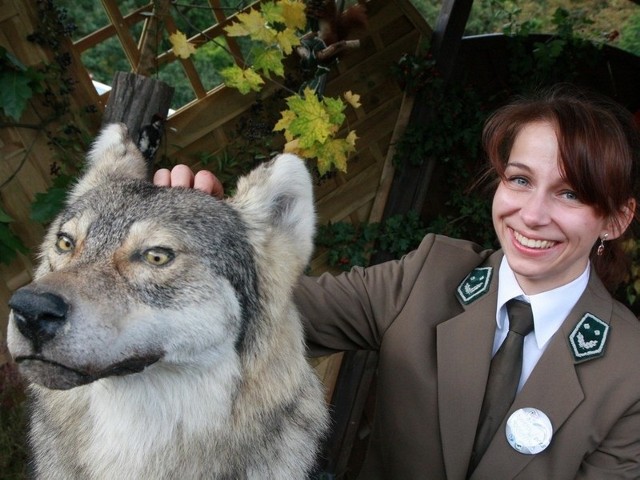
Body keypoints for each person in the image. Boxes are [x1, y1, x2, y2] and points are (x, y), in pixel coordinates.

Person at [154, 85, 640, 479]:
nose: (531, 215)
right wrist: (209, 247)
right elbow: (276, 309)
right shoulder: (429, 274)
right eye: (519, 180)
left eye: (570, 192)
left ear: (616, 219)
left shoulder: (631, 371)